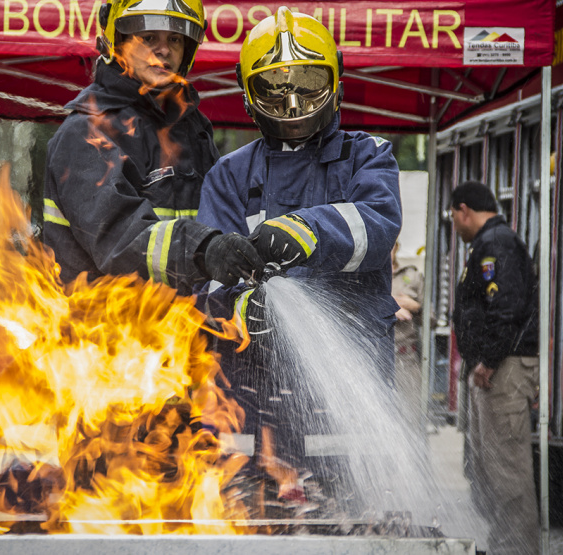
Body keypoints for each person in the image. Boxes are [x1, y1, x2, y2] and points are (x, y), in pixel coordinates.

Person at [196, 7, 401, 500]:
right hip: (251, 392)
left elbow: (377, 226)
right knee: (253, 523)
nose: (291, 101)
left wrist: (309, 229)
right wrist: (246, 309)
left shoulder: (367, 156)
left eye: (307, 83)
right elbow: (208, 279)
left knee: (350, 522)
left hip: (347, 390)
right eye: (274, 87)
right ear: (249, 96)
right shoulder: (229, 175)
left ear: (336, 84)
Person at [42, 0, 262, 294]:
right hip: (101, 331)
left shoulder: (191, 129)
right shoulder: (87, 131)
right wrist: (203, 249)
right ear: (118, 42)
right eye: (148, 37)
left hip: (182, 332)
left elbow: (219, 217)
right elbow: (118, 237)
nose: (163, 50)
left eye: (174, 38)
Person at [450, 181, 539, 555]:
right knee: (486, 468)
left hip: (503, 371)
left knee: (506, 469)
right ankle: (503, 544)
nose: (454, 225)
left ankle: (517, 549)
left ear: (464, 209)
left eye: (453, 216)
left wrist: (488, 360)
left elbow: (507, 308)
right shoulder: (489, 243)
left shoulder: (496, 245)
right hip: (492, 368)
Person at [391, 241, 425, 435]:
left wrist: (416, 307)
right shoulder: (367, 276)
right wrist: (389, 308)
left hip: (405, 360)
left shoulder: (412, 276)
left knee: (411, 422)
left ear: (397, 246)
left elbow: (432, 321)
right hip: (375, 358)